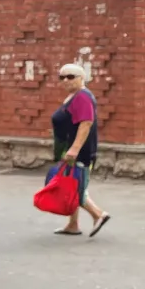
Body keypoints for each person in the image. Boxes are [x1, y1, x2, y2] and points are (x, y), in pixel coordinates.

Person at [50, 63, 110, 237]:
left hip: (79, 152)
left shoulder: (82, 96)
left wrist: (74, 149)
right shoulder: (73, 96)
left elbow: (86, 123)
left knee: (73, 186)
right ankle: (73, 224)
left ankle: (98, 215)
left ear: (82, 78)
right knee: (70, 183)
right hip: (69, 149)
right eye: (62, 77)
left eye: (71, 76)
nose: (66, 80)